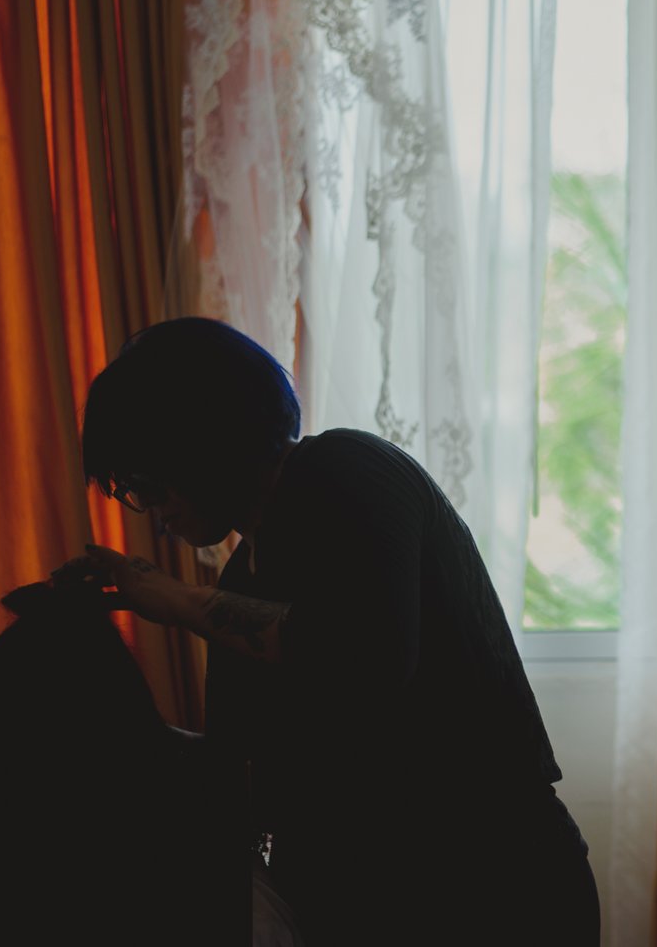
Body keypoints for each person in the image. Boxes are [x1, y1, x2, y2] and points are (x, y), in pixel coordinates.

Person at [67, 317, 600, 944]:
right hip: (372, 891)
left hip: (490, 878)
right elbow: (240, 757)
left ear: (198, 441)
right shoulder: (241, 571)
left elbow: (366, 655)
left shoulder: (350, 469)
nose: (155, 516)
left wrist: (176, 598)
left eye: (146, 485)